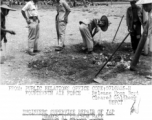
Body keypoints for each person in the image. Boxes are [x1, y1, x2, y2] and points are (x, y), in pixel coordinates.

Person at [130, 0, 152, 74]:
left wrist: (147, 35)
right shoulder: (149, 13)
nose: (144, 8)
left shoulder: (151, 15)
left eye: (146, 6)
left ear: (151, 4)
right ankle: (133, 65)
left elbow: (150, 30)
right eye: (143, 6)